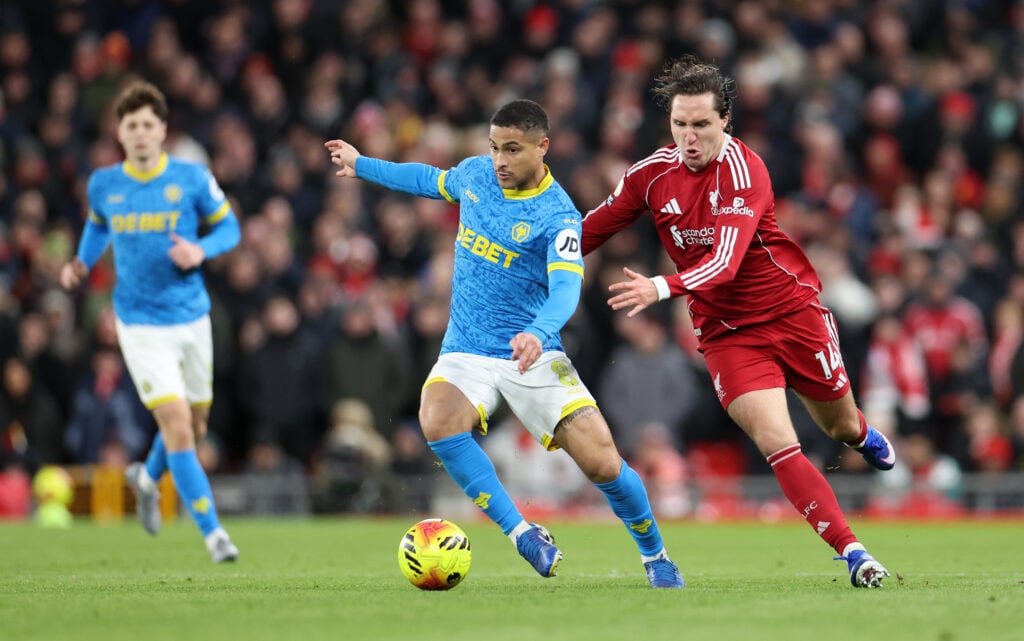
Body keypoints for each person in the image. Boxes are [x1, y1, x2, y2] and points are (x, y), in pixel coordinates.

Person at [325, 99, 684, 588]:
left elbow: (565, 289)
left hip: (532, 353)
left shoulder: (557, 216)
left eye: (512, 149)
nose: (499, 160)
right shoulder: (475, 177)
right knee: (437, 419)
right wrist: (362, 164)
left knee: (602, 462)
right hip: (467, 348)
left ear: (543, 148)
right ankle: (521, 533)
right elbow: (425, 180)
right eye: (494, 147)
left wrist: (537, 333)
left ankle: (656, 555)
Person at [581, 56, 894, 588]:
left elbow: (724, 263)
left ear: (725, 121)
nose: (689, 136)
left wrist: (659, 287)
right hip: (728, 334)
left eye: (701, 124)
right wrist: (534, 260)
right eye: (680, 124)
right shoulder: (651, 174)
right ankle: (854, 552)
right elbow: (589, 231)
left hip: (791, 314)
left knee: (839, 425)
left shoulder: (745, 172)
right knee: (777, 439)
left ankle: (861, 432)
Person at [60, 81, 241, 563]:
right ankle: (213, 533)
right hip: (139, 324)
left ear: (163, 130)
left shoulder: (193, 177)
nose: (139, 132)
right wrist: (82, 261)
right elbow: (98, 224)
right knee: (178, 423)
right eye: (130, 124)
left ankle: (146, 476)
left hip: (191, 316)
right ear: (119, 132)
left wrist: (201, 249)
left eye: (147, 124)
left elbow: (230, 227)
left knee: (195, 426)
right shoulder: (104, 183)